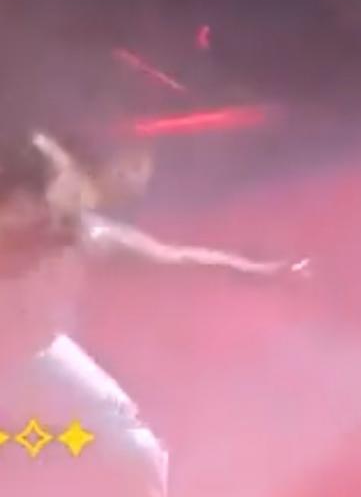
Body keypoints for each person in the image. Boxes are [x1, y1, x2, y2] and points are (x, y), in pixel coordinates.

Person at [0, 129, 309, 496]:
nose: (70, 191)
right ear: (19, 202)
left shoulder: (79, 237)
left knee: (133, 450)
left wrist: (263, 273)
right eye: (58, 183)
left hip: (31, 356)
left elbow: (175, 260)